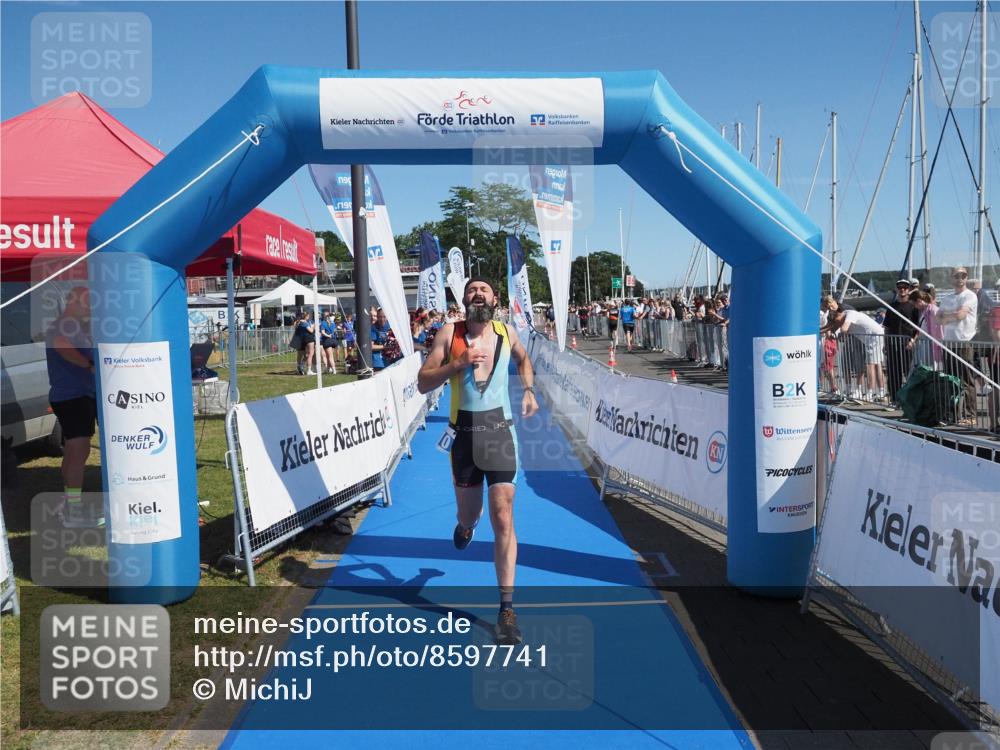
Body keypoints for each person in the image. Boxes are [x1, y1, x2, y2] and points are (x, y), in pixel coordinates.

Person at [417, 277, 538, 646]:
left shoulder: (506, 332)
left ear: (494, 298)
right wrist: (458, 363)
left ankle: (506, 608)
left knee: (504, 515)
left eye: (484, 290)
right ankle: (466, 526)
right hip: (463, 436)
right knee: (470, 515)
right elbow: (423, 382)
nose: (478, 294)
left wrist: (529, 390)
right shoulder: (447, 334)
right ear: (464, 299)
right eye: (472, 290)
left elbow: (524, 360)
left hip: (500, 431)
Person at [46, 287, 102, 528]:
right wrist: (88, 364)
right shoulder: (64, 325)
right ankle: (73, 512)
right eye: (87, 302)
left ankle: (70, 503)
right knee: (78, 452)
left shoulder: (75, 326)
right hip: (73, 397)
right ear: (73, 301)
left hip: (75, 396)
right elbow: (60, 345)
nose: (90, 307)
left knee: (74, 451)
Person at [936, 267, 979, 425]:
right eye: (957, 276)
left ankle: (970, 415)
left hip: (964, 342)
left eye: (963, 275)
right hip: (949, 342)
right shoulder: (947, 298)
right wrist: (952, 315)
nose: (960, 278)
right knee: (950, 380)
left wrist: (947, 316)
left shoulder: (970, 296)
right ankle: (952, 414)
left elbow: (961, 316)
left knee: (966, 380)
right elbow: (937, 319)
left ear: (967, 278)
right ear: (951, 278)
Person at [831, 308, 887, 402]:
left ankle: (869, 393)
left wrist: (839, 331)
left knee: (870, 365)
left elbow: (844, 328)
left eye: (837, 320)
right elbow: (839, 329)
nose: (837, 322)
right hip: (875, 336)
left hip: (873, 338)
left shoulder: (850, 314)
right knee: (877, 365)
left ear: (840, 315)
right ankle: (881, 391)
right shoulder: (844, 316)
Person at [884, 279, 921, 405]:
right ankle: (895, 399)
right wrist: (886, 343)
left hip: (908, 344)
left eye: (905, 287)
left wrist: (914, 340)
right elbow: (887, 326)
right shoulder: (891, 307)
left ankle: (910, 399)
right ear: (897, 289)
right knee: (894, 373)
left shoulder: (913, 307)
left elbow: (918, 327)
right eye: (900, 287)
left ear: (909, 289)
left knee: (909, 372)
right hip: (893, 344)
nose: (902, 289)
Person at [293, 311, 316, 376]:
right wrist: (314, 326)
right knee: (309, 354)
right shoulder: (303, 322)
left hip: (301, 339)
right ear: (306, 316)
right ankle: (307, 369)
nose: (309, 317)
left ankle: (300, 367)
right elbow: (311, 330)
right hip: (306, 338)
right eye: (308, 316)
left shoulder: (300, 322)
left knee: (303, 355)